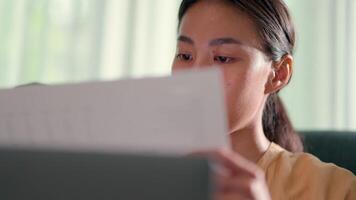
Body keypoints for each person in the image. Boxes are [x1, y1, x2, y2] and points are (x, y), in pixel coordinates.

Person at [171, 0, 356, 199]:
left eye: (222, 58)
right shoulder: (143, 169)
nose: (195, 76)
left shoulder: (334, 188)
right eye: (185, 55)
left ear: (278, 74)